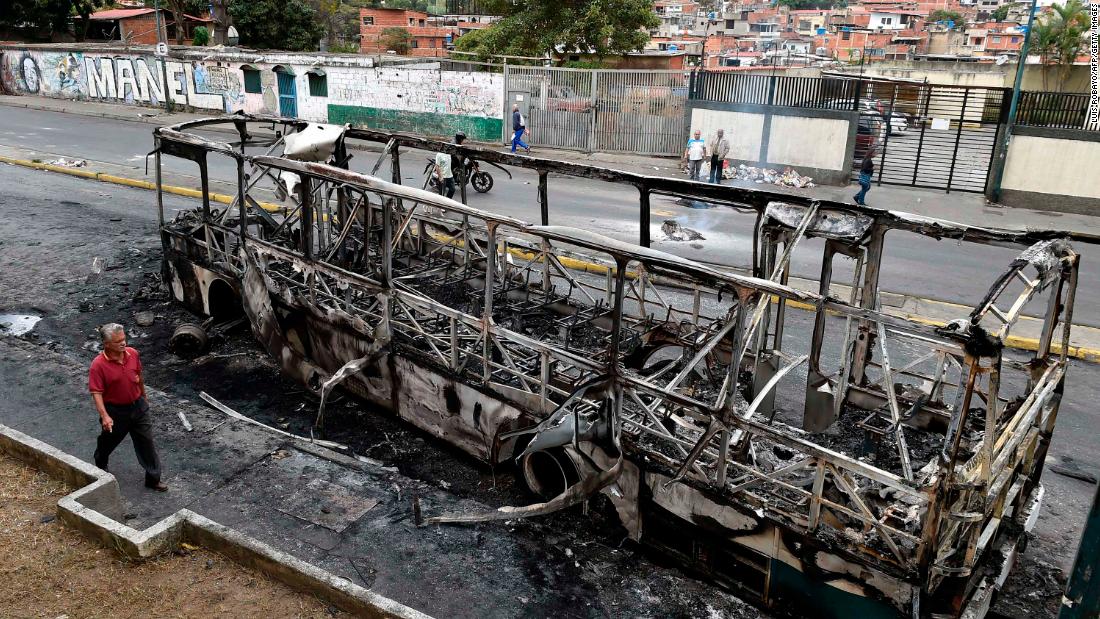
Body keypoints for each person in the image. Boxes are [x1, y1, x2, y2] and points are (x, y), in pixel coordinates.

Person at [88, 323, 167, 491]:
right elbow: (96, 392)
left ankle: (153, 479)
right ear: (106, 344)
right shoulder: (98, 365)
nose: (123, 343)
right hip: (115, 412)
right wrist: (105, 416)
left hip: (138, 407)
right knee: (108, 441)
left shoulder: (133, 354)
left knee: (147, 442)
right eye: (118, 341)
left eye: (124, 339)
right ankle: (100, 462)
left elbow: (138, 376)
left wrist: (144, 397)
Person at [434, 132, 466, 199]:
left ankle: (447, 201)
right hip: (445, 171)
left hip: (449, 174)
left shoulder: (456, 143)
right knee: (442, 192)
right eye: (463, 139)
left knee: (452, 189)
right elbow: (454, 155)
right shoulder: (454, 144)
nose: (463, 141)